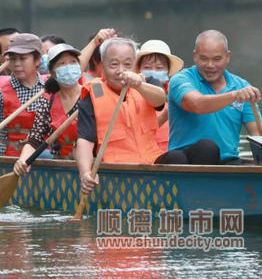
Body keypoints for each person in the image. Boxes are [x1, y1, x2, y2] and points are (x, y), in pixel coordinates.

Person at [75, 38, 167, 196]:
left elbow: (159, 100)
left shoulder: (148, 82)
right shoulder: (92, 94)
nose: (121, 71)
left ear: (135, 65)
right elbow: (85, 140)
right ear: (103, 66)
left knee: (181, 156)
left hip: (152, 161)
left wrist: (138, 85)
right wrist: (85, 173)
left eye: (127, 64)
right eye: (114, 65)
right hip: (117, 169)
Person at [166, 30, 262, 165]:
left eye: (217, 59)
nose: (210, 65)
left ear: (228, 57)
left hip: (227, 162)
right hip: (183, 161)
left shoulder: (241, 86)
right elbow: (197, 104)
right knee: (206, 148)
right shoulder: (181, 79)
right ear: (195, 56)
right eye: (204, 59)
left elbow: (259, 134)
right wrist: (234, 95)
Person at [14, 43, 84, 174]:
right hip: (60, 166)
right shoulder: (48, 101)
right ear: (53, 73)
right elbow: (35, 139)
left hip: (89, 166)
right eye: (62, 64)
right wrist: (23, 160)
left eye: (73, 62)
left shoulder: (90, 94)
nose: (68, 67)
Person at [136, 39, 184, 152]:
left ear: (167, 72)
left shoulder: (178, 94)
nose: (153, 72)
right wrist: (165, 115)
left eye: (159, 68)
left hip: (174, 154)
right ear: (139, 70)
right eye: (147, 68)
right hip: (144, 154)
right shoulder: (130, 95)